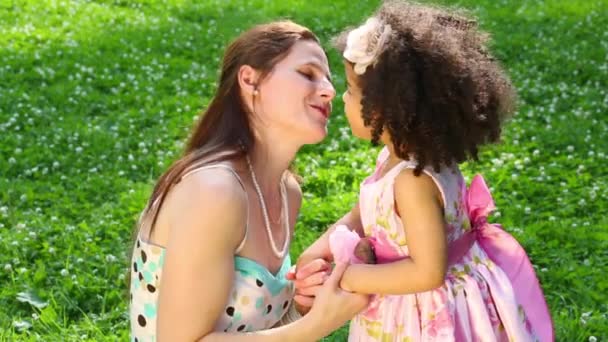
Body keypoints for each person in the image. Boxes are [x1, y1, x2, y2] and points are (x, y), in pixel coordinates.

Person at [293, 1, 554, 340]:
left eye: (352, 91)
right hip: (411, 302)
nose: (342, 98)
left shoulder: (412, 182)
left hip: (423, 315)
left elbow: (427, 271)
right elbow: (362, 215)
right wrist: (318, 250)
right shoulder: (404, 158)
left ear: (388, 109)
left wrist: (345, 276)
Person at [129, 20, 368, 341]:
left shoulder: (287, 191)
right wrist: (317, 325)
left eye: (327, 78)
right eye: (307, 74)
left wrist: (300, 304)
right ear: (250, 80)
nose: (328, 90)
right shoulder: (214, 190)